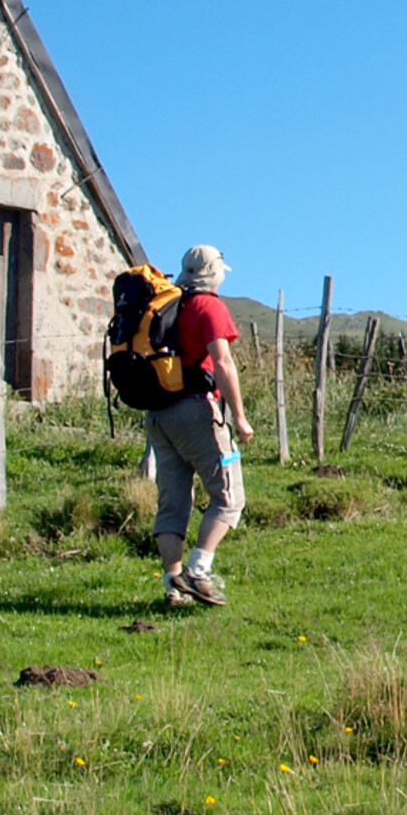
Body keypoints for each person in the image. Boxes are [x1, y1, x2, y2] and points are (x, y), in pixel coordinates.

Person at [148, 244, 254, 607]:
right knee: (229, 497)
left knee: (173, 502)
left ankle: (173, 587)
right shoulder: (208, 306)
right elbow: (222, 362)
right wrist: (239, 416)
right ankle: (198, 570)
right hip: (196, 410)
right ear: (214, 272)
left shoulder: (167, 306)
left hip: (159, 415)